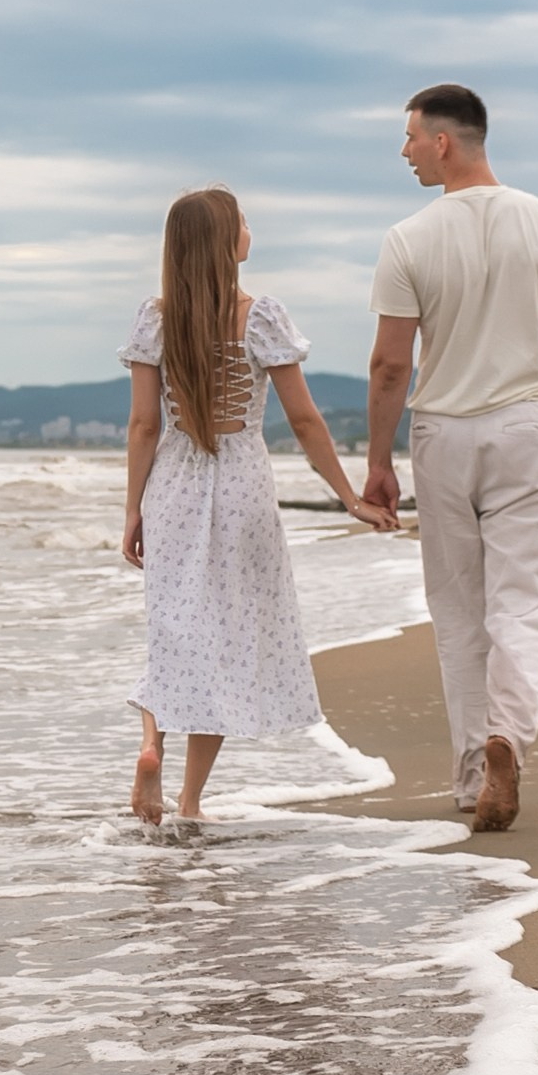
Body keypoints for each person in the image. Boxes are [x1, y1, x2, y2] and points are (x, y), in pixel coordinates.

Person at [361, 84, 538, 837]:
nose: (406, 149)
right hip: (528, 426)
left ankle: (469, 775)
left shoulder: (407, 238)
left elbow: (391, 364)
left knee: (459, 612)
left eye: (411, 136)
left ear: (443, 142)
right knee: (523, 602)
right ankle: (507, 737)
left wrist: (379, 460)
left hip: (443, 432)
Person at [120, 186, 392, 827]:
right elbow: (303, 419)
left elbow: (141, 426)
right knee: (223, 641)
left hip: (175, 487)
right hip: (242, 483)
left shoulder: (155, 318)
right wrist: (347, 495)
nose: (250, 231)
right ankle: (189, 801)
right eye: (244, 223)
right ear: (225, 243)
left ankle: (152, 743)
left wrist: (133, 510)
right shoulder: (259, 315)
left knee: (175, 629)